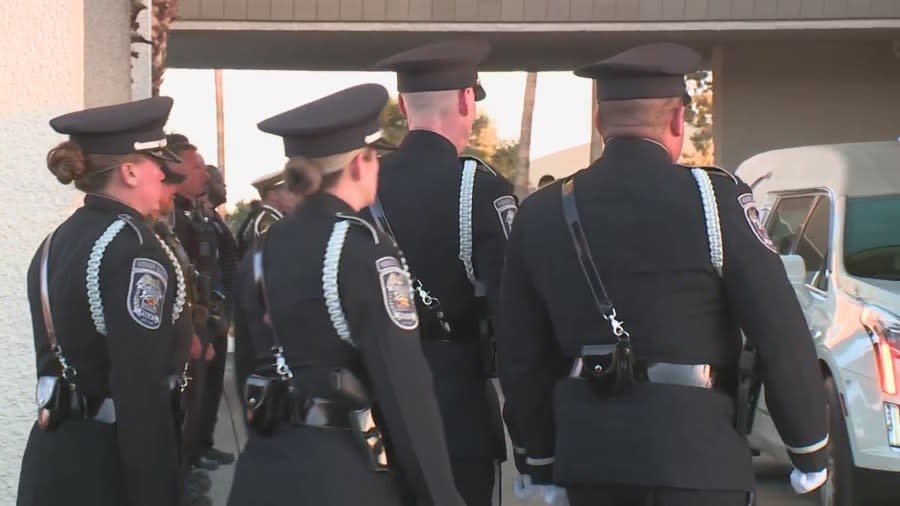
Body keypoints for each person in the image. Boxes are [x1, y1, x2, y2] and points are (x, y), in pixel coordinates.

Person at [496, 42, 830, 506]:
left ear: (599, 122)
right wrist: (808, 446)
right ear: (678, 121)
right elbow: (779, 331)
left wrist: (540, 461)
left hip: (591, 463)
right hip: (698, 459)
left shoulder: (540, 213)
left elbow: (520, 356)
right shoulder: (716, 201)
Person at [227, 83, 463, 506]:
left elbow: (250, 368)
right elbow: (404, 389)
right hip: (342, 478)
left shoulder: (261, 250)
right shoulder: (362, 250)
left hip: (262, 472)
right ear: (361, 164)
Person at [17, 97, 189, 506]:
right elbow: (139, 387)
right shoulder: (136, 248)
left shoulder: (55, 241)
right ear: (129, 171)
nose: (164, 177)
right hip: (109, 468)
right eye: (157, 166)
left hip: (52, 457)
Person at [369, 39, 514, 506]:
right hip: (456, 405)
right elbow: (512, 310)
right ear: (467, 100)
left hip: (376, 401)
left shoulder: (364, 184)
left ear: (401, 105)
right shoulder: (480, 188)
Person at [163, 136, 219, 504]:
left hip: (197, 321)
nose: (205, 174)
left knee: (194, 403)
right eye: (195, 166)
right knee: (181, 406)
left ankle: (188, 463)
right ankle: (182, 470)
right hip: (184, 330)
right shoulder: (170, 221)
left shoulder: (192, 216)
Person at [194, 165, 239, 468]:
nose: (226, 187)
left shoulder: (213, 219)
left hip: (220, 312)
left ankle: (205, 442)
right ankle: (195, 449)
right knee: (202, 387)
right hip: (207, 314)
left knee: (211, 387)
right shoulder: (197, 220)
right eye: (221, 182)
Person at [235, 170, 298, 258]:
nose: (294, 196)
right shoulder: (268, 220)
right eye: (289, 191)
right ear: (273, 195)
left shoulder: (267, 217)